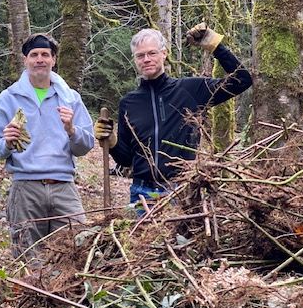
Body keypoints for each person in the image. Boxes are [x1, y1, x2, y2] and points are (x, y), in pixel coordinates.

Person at [94, 23, 252, 207]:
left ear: (164, 53)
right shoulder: (129, 103)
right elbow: (126, 160)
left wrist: (214, 45)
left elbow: (242, 80)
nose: (146, 59)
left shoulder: (190, 90)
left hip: (182, 191)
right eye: (140, 55)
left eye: (152, 53)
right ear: (135, 60)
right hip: (141, 194)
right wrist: (112, 142)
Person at [0, 33, 94, 265]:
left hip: (63, 186)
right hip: (25, 188)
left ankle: (68, 301)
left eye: (45, 54)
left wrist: (72, 130)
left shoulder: (70, 98)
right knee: (29, 260)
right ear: (25, 60)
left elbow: (86, 145)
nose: (40, 59)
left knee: (76, 253)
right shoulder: (9, 98)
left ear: (54, 60)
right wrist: (7, 143)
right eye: (34, 55)